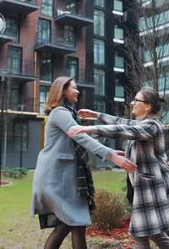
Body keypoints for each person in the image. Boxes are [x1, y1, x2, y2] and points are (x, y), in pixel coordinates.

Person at [31, 77, 137, 249]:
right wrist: (111, 155)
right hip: (58, 179)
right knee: (74, 224)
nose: (78, 91)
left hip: (65, 178)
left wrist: (107, 149)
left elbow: (83, 138)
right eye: (74, 88)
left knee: (70, 225)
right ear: (62, 91)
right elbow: (80, 137)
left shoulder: (68, 113)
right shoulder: (60, 113)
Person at [67, 87, 169, 249]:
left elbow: (127, 130)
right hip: (147, 186)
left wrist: (89, 128)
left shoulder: (152, 126)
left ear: (147, 106)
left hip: (152, 187)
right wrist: (96, 115)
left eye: (136, 100)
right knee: (153, 233)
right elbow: (121, 122)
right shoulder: (143, 123)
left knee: (142, 234)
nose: (132, 103)